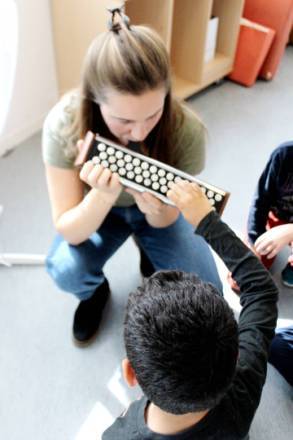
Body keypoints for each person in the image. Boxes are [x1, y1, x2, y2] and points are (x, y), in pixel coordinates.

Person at [42, 9, 222, 345]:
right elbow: (68, 227)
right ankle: (94, 292)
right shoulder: (63, 126)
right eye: (123, 120)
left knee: (208, 290)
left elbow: (173, 213)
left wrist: (157, 211)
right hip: (99, 212)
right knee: (65, 269)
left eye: (153, 114)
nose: (138, 131)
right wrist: (102, 195)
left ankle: (147, 248)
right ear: (95, 101)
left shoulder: (186, 129)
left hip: (157, 212)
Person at [102, 180, 278, 440]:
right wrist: (207, 220)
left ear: (130, 374)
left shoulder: (117, 436)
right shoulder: (243, 389)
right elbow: (261, 290)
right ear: (235, 356)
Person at [229, 141, 293, 291]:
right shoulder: (284, 155)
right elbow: (261, 200)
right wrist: (254, 242)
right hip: (276, 218)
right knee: (242, 278)